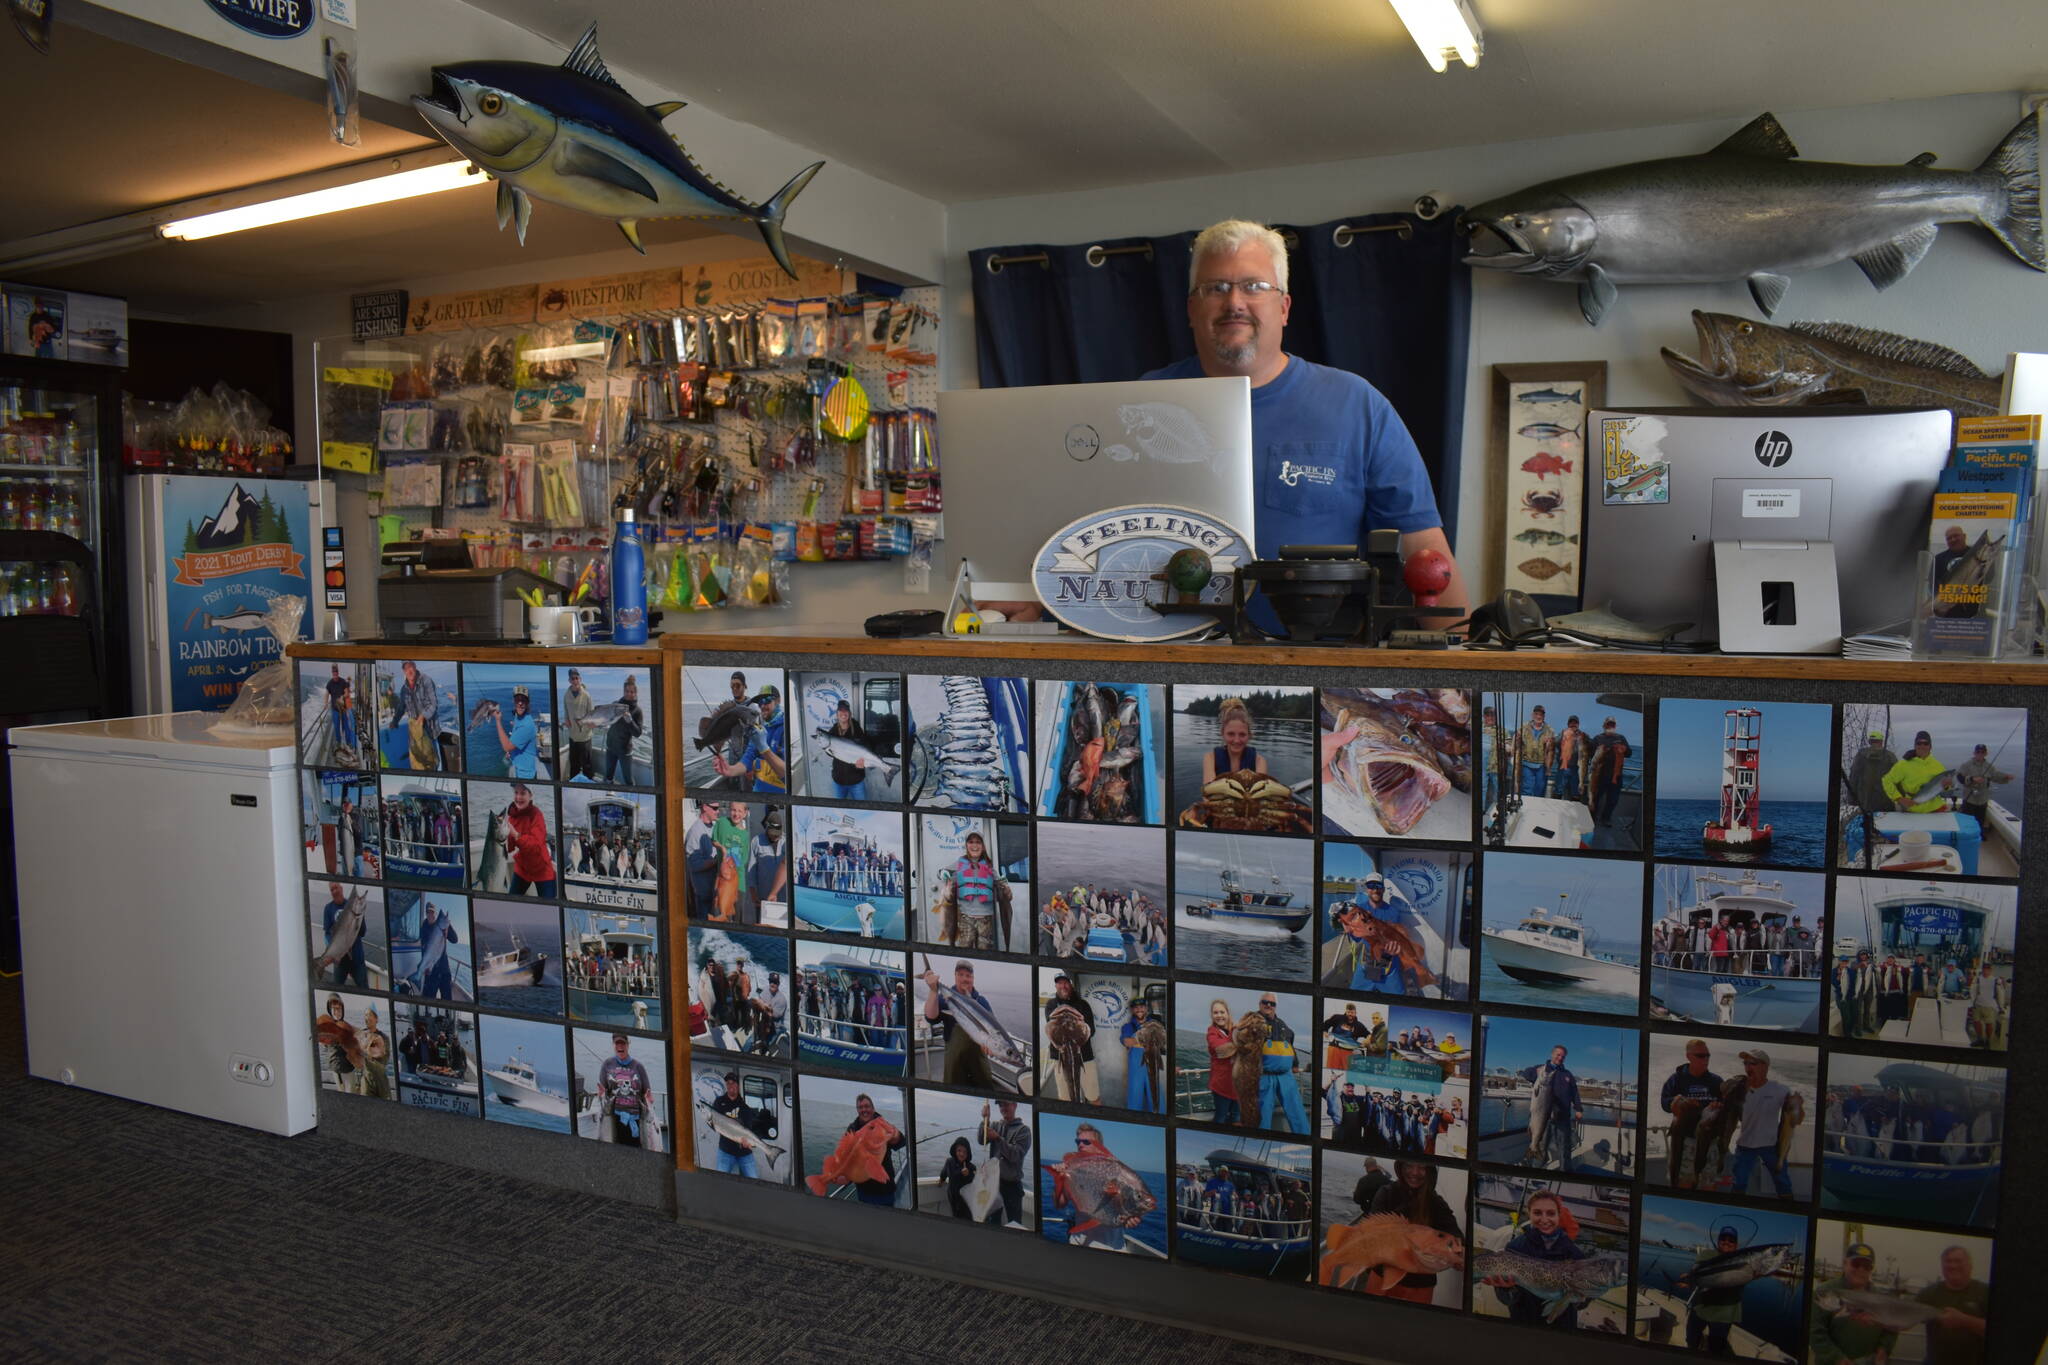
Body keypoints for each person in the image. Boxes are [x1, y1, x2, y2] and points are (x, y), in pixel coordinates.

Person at [1141, 219, 1468, 627]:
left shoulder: (1358, 405)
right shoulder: (1142, 401)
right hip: (1164, 661)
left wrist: (1461, 675)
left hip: (1319, 668)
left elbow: (1426, 556)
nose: (1235, 302)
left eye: (1254, 286)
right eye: (1216, 288)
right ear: (1192, 310)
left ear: (1284, 307)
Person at [1484, 1190, 1591, 1328]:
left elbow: (1581, 1304)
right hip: (1524, 1322)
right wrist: (1506, 1290)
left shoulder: (1575, 1254)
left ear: (1559, 1215)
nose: (1544, 1219)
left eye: (1551, 1213)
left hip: (1562, 1325)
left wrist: (1584, 1295)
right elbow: (1506, 1299)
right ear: (1529, 1213)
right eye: (1537, 1213)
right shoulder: (1514, 1247)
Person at [1366, 1160, 1462, 1303]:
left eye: (1422, 1167)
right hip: (1381, 1276)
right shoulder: (1386, 1193)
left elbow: (1457, 1238)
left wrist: (1459, 1257)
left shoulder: (1437, 1203)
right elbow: (1370, 1232)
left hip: (1420, 1287)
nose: (1415, 1172)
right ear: (1401, 1167)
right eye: (1409, 1165)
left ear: (1430, 1172)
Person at [1728, 1048, 1800, 1199]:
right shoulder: (1738, 1089)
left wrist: (1797, 1106)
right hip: (1745, 1145)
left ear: (1765, 1066)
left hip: (1772, 1146)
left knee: (1783, 1183)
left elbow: (1795, 1120)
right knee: (1738, 1184)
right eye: (1745, 1063)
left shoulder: (1780, 1090)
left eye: (1752, 1063)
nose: (1748, 1067)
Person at [1811, 1242, 1898, 1365]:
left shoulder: (1880, 1297)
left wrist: (1884, 1348)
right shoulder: (1824, 1292)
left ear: (1871, 1269)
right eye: (1856, 1264)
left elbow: (1892, 1327)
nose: (1861, 1270)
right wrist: (1837, 1358)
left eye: (1867, 1266)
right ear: (1845, 1263)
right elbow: (1814, 1331)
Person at [1659, 1038, 1725, 1190]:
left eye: (1708, 1055)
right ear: (1688, 1056)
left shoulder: (1716, 1081)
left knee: (1709, 1185)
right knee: (1684, 1183)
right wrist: (1673, 1103)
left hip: (1710, 1140)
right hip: (1685, 1141)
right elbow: (1664, 1103)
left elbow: (1726, 1109)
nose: (1706, 1059)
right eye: (1701, 1056)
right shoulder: (1676, 1079)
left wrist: (1719, 1107)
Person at [922, 960, 996, 1089]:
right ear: (955, 976)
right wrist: (933, 991)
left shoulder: (981, 1002)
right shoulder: (945, 998)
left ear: (973, 978)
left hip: (978, 1058)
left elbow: (992, 1030)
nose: (965, 979)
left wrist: (991, 1046)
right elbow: (930, 1018)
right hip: (954, 1059)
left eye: (968, 976)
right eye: (961, 974)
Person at [1677, 1226, 1750, 1353]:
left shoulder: (1744, 1259)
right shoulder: (1707, 1255)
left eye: (1731, 1240)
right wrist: (1689, 1279)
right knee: (1691, 1340)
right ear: (1718, 1240)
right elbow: (1697, 1273)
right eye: (1723, 1238)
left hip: (1724, 1314)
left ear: (1736, 1244)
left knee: (1716, 1349)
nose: (1726, 1242)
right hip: (1700, 1308)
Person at [1914, 1244, 1989, 1365]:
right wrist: (1876, 1316)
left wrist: (1964, 1320)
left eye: (1958, 1261)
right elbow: (1904, 1320)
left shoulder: (1985, 1292)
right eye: (1948, 1262)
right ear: (1942, 1266)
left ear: (1970, 1265)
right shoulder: (1928, 1293)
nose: (1952, 1266)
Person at [715, 686, 787, 793]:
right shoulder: (759, 730)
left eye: (767, 700)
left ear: (778, 701)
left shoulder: (786, 727)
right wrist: (730, 770)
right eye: (760, 702)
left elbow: (786, 774)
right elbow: (747, 759)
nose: (762, 706)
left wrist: (764, 749)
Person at [1041, 973, 1100, 1102]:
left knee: (1094, 1098)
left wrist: (1080, 1028)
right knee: (1065, 1098)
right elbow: (1050, 1028)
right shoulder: (1051, 1004)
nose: (1063, 986)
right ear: (1056, 985)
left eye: (1066, 982)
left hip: (1085, 1057)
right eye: (1060, 983)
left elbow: (1092, 1030)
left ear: (1071, 984)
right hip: (1060, 1058)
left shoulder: (1083, 1004)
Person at [1255, 993, 1308, 1134]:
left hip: (1286, 1076)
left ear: (1275, 1007)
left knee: (1298, 1113)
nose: (1268, 1005)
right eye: (1265, 1002)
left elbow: (1290, 1045)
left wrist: (1295, 1064)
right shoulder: (1252, 1021)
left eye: (1272, 1003)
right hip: (1264, 1076)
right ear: (1259, 1004)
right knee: (1262, 1116)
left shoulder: (1283, 1025)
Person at [1846, 729, 1899, 863]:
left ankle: (1867, 855)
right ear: (1882, 742)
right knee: (1886, 830)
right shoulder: (1890, 756)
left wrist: (1852, 800)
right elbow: (1898, 780)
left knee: (1867, 832)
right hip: (1886, 803)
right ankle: (1886, 852)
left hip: (1865, 804)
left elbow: (1853, 777)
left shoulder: (1860, 755)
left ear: (1871, 742)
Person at [709, 1070, 774, 1178]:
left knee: (754, 1181)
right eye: (728, 1083)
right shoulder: (719, 1102)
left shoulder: (745, 1108)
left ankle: (769, 1151)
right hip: (725, 1152)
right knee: (720, 1181)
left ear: (738, 1085)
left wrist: (749, 1143)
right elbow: (713, 1124)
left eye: (733, 1082)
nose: (730, 1085)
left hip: (744, 1153)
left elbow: (748, 1130)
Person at [845, 1093, 906, 1207]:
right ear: (857, 1110)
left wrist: (895, 1135)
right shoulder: (852, 1129)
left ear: (873, 1108)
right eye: (860, 1107)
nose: (864, 1110)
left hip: (885, 1189)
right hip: (863, 1189)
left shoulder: (882, 1125)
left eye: (867, 1106)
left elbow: (901, 1142)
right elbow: (846, 1155)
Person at [981, 1099, 1032, 1227]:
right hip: (993, 1184)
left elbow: (1016, 1155)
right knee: (992, 1221)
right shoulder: (994, 1125)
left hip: (1012, 1187)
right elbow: (981, 1140)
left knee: (1014, 1224)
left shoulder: (1023, 1130)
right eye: (1000, 1105)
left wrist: (998, 1138)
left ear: (1015, 1105)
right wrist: (984, 1119)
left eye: (1006, 1104)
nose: (1003, 1107)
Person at [501, 782, 557, 897]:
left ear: (530, 795)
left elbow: (535, 845)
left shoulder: (537, 815)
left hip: (542, 869)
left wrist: (516, 835)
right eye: (516, 793)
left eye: (523, 793)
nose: (518, 797)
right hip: (523, 868)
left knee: (550, 907)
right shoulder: (511, 818)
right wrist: (502, 835)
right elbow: (509, 848)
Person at [596, 1034, 653, 1146]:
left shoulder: (638, 1066)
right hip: (613, 1119)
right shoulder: (607, 1064)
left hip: (636, 1120)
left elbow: (647, 1092)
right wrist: (601, 1093)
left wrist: (649, 1098)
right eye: (617, 1043)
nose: (620, 1046)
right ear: (613, 1045)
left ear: (628, 1044)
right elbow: (602, 1090)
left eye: (623, 1043)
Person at [951, 831, 1001, 950]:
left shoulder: (989, 866)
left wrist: (1004, 886)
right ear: (966, 845)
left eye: (978, 842)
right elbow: (943, 873)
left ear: (983, 846)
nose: (974, 845)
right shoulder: (958, 864)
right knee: (964, 950)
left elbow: (1000, 882)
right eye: (971, 842)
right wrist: (943, 874)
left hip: (986, 918)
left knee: (985, 952)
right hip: (965, 917)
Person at [393, 660, 447, 771]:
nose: (409, 670)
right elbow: (401, 708)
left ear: (415, 666)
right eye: (406, 668)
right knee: (419, 761)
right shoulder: (403, 689)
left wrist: (423, 716)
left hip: (430, 730)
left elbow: (434, 704)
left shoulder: (426, 680)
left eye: (411, 666)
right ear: (403, 671)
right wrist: (395, 721)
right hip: (416, 733)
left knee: (434, 760)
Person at [1536, 1045, 1583, 1171]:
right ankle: (1536, 1169)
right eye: (1558, 1054)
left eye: (1563, 1056)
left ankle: (1565, 1171)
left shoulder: (1568, 1074)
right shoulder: (1542, 1070)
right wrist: (1535, 1072)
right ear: (1552, 1054)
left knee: (1564, 1147)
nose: (1560, 1058)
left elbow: (1574, 1093)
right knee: (1541, 1145)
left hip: (1562, 1117)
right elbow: (1526, 1074)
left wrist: (1578, 1109)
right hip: (1543, 1117)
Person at [1950, 743, 2014, 837]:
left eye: (1982, 752)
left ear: (1986, 753)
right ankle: (1966, 836)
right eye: (1978, 752)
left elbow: (1995, 776)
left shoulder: (1989, 766)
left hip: (1983, 800)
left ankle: (1978, 836)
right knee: (1967, 822)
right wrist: (1972, 779)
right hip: (1969, 799)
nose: (1980, 754)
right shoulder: (1966, 765)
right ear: (1974, 753)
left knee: (1980, 820)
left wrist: (2006, 777)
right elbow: (1960, 778)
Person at [1202, 697, 1268, 784]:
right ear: (1223, 733)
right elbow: (1208, 793)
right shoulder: (1210, 759)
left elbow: (1261, 792)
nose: (1236, 740)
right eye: (1231, 734)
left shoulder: (1259, 762)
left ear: (1249, 735)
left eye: (1242, 734)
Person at [1883, 731, 1952, 813]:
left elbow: (1946, 788)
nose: (1922, 746)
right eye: (1919, 743)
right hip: (1913, 809)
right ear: (1915, 745)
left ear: (1930, 746)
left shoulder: (1938, 765)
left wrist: (1947, 786)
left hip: (1936, 808)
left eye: (1926, 743)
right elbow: (1887, 780)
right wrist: (1898, 798)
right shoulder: (1903, 764)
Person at [821, 699, 875, 799]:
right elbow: (830, 753)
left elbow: (867, 747)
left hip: (856, 780)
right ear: (837, 714)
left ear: (849, 713)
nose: (843, 713)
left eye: (846, 710)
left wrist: (864, 764)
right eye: (840, 710)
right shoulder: (832, 732)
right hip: (838, 780)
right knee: (839, 810)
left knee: (862, 810)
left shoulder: (857, 729)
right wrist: (825, 747)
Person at [1585, 717, 1632, 827]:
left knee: (1613, 800)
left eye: (1612, 725)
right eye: (1608, 724)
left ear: (1615, 726)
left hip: (1616, 775)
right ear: (1604, 726)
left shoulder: (1621, 738)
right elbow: (1589, 752)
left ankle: (1606, 818)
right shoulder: (1597, 738)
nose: (1610, 726)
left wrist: (1624, 749)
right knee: (1596, 797)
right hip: (1599, 774)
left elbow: (1629, 753)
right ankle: (1592, 817)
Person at [319, 881, 367, 988]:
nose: (335, 891)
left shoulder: (352, 907)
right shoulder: (328, 908)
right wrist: (330, 952)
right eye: (332, 889)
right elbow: (328, 933)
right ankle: (319, 965)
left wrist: (360, 918)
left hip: (357, 958)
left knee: (364, 988)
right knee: (336, 989)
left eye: (336, 887)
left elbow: (363, 932)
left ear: (341, 888)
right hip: (340, 961)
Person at [600, 674, 645, 785]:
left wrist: (630, 721)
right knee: (608, 776)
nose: (629, 694)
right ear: (623, 691)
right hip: (610, 746)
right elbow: (606, 719)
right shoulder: (615, 704)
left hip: (625, 750)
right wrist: (597, 723)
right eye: (627, 691)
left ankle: (633, 798)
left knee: (628, 780)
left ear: (635, 693)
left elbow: (638, 733)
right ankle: (609, 794)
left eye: (632, 692)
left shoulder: (637, 711)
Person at [1119, 997, 1162, 1113]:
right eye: (1136, 1007)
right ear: (1132, 1010)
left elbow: (1163, 1039)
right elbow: (1127, 1041)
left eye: (1142, 1007)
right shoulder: (1128, 1027)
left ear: (1146, 1009)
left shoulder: (1155, 1024)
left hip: (1153, 1067)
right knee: (1134, 1102)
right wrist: (1146, 1039)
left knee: (1157, 1100)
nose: (1139, 1009)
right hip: (1136, 1071)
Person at [1205, 998, 1243, 1124]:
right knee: (1220, 1117)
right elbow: (1221, 1049)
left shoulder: (1237, 1030)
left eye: (1222, 1012)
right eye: (1215, 1013)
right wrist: (1241, 1043)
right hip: (1221, 1085)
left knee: (1236, 1116)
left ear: (1228, 1013)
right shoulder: (1212, 1033)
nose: (1219, 1015)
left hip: (1238, 1085)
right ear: (1212, 1015)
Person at [492, 686, 542, 780]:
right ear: (513, 701)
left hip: (525, 776)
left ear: (527, 703)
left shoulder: (527, 725)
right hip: (518, 769)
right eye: (517, 700)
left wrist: (498, 721)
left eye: (523, 700)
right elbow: (517, 729)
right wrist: (512, 751)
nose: (520, 703)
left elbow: (506, 746)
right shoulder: (518, 716)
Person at [684, 802, 724, 917]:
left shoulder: (715, 828)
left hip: (715, 893)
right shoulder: (695, 832)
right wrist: (717, 861)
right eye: (715, 808)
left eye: (718, 808)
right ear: (705, 807)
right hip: (704, 897)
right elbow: (694, 865)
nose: (718, 811)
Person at [416, 898, 459, 999]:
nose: (430, 914)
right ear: (426, 913)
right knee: (428, 999)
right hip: (431, 973)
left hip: (444, 970)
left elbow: (455, 940)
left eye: (432, 912)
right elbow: (424, 949)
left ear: (435, 913)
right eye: (428, 912)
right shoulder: (423, 929)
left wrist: (448, 926)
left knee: (447, 1000)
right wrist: (425, 966)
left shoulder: (442, 927)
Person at [560, 668, 597, 779]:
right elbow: (566, 710)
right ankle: (573, 785)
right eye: (573, 678)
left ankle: (589, 786)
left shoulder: (587, 695)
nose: (575, 680)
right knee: (574, 765)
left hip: (585, 737)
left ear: (580, 679)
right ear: (569, 680)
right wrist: (566, 719)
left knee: (587, 766)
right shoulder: (566, 695)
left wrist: (593, 723)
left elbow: (592, 713)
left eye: (577, 678)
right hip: (572, 736)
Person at [1514, 705, 1556, 798]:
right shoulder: (1524, 727)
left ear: (1544, 716)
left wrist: (1550, 742)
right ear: (1532, 715)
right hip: (1526, 764)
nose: (1538, 716)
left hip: (1542, 765)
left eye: (1541, 714)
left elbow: (1552, 750)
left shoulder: (1550, 730)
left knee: (1540, 789)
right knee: (1527, 789)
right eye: (1536, 714)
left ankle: (1538, 810)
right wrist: (1517, 739)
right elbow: (1515, 742)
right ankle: (1525, 808)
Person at [941, 1136, 977, 1219]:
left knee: (967, 1217)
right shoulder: (949, 1162)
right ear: (954, 1151)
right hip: (952, 1196)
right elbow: (945, 1172)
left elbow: (973, 1183)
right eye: (959, 1150)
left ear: (968, 1153)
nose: (962, 1154)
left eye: (965, 1151)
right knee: (955, 1215)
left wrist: (968, 1175)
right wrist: (941, 1179)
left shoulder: (972, 1167)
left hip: (965, 1200)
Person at [325, 664, 358, 757]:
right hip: (335, 709)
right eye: (333, 673)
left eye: (336, 673)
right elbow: (327, 694)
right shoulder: (329, 683)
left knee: (346, 726)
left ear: (338, 673)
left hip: (343, 708)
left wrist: (341, 697)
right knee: (336, 726)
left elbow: (347, 693)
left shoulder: (343, 681)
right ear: (332, 673)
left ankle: (348, 742)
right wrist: (325, 703)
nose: (335, 674)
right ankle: (339, 742)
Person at [359, 1006, 390, 1099]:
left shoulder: (384, 1037)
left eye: (369, 1015)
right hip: (366, 1077)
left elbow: (385, 1059)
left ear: (376, 1019)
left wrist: (371, 1051)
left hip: (381, 1079)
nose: (367, 1017)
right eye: (365, 1015)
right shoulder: (361, 1035)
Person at [1555, 715, 1586, 801]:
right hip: (1563, 766)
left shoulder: (1582, 734)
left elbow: (1589, 746)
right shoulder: (1563, 732)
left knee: (1575, 791)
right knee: (1559, 789)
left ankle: (1574, 810)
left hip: (1576, 768)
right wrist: (1562, 736)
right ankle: (1556, 806)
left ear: (1578, 724)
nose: (1573, 724)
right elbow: (1556, 743)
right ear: (1568, 724)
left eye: (1575, 723)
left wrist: (1584, 739)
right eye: (1571, 722)